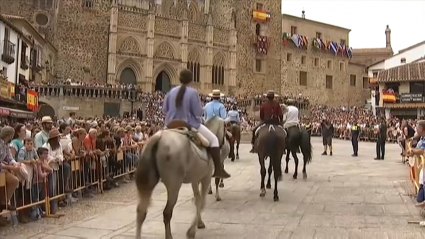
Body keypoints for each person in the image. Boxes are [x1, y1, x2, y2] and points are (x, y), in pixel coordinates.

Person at [163, 69, 230, 179]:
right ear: (191, 80)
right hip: (189, 125)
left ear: (179, 79)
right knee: (214, 140)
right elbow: (198, 112)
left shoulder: (171, 91)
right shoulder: (192, 92)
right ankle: (218, 169)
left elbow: (164, 110)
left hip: (169, 125)